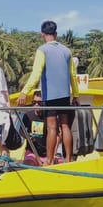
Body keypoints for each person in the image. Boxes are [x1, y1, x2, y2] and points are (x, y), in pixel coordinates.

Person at [17, 20, 79, 164]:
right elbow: (72, 75)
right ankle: (69, 159)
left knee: (52, 127)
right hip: (65, 95)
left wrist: (24, 92)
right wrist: (75, 95)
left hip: (50, 95)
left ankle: (49, 160)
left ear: (42, 34)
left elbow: (36, 73)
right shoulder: (66, 51)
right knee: (65, 126)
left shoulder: (42, 50)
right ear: (56, 34)